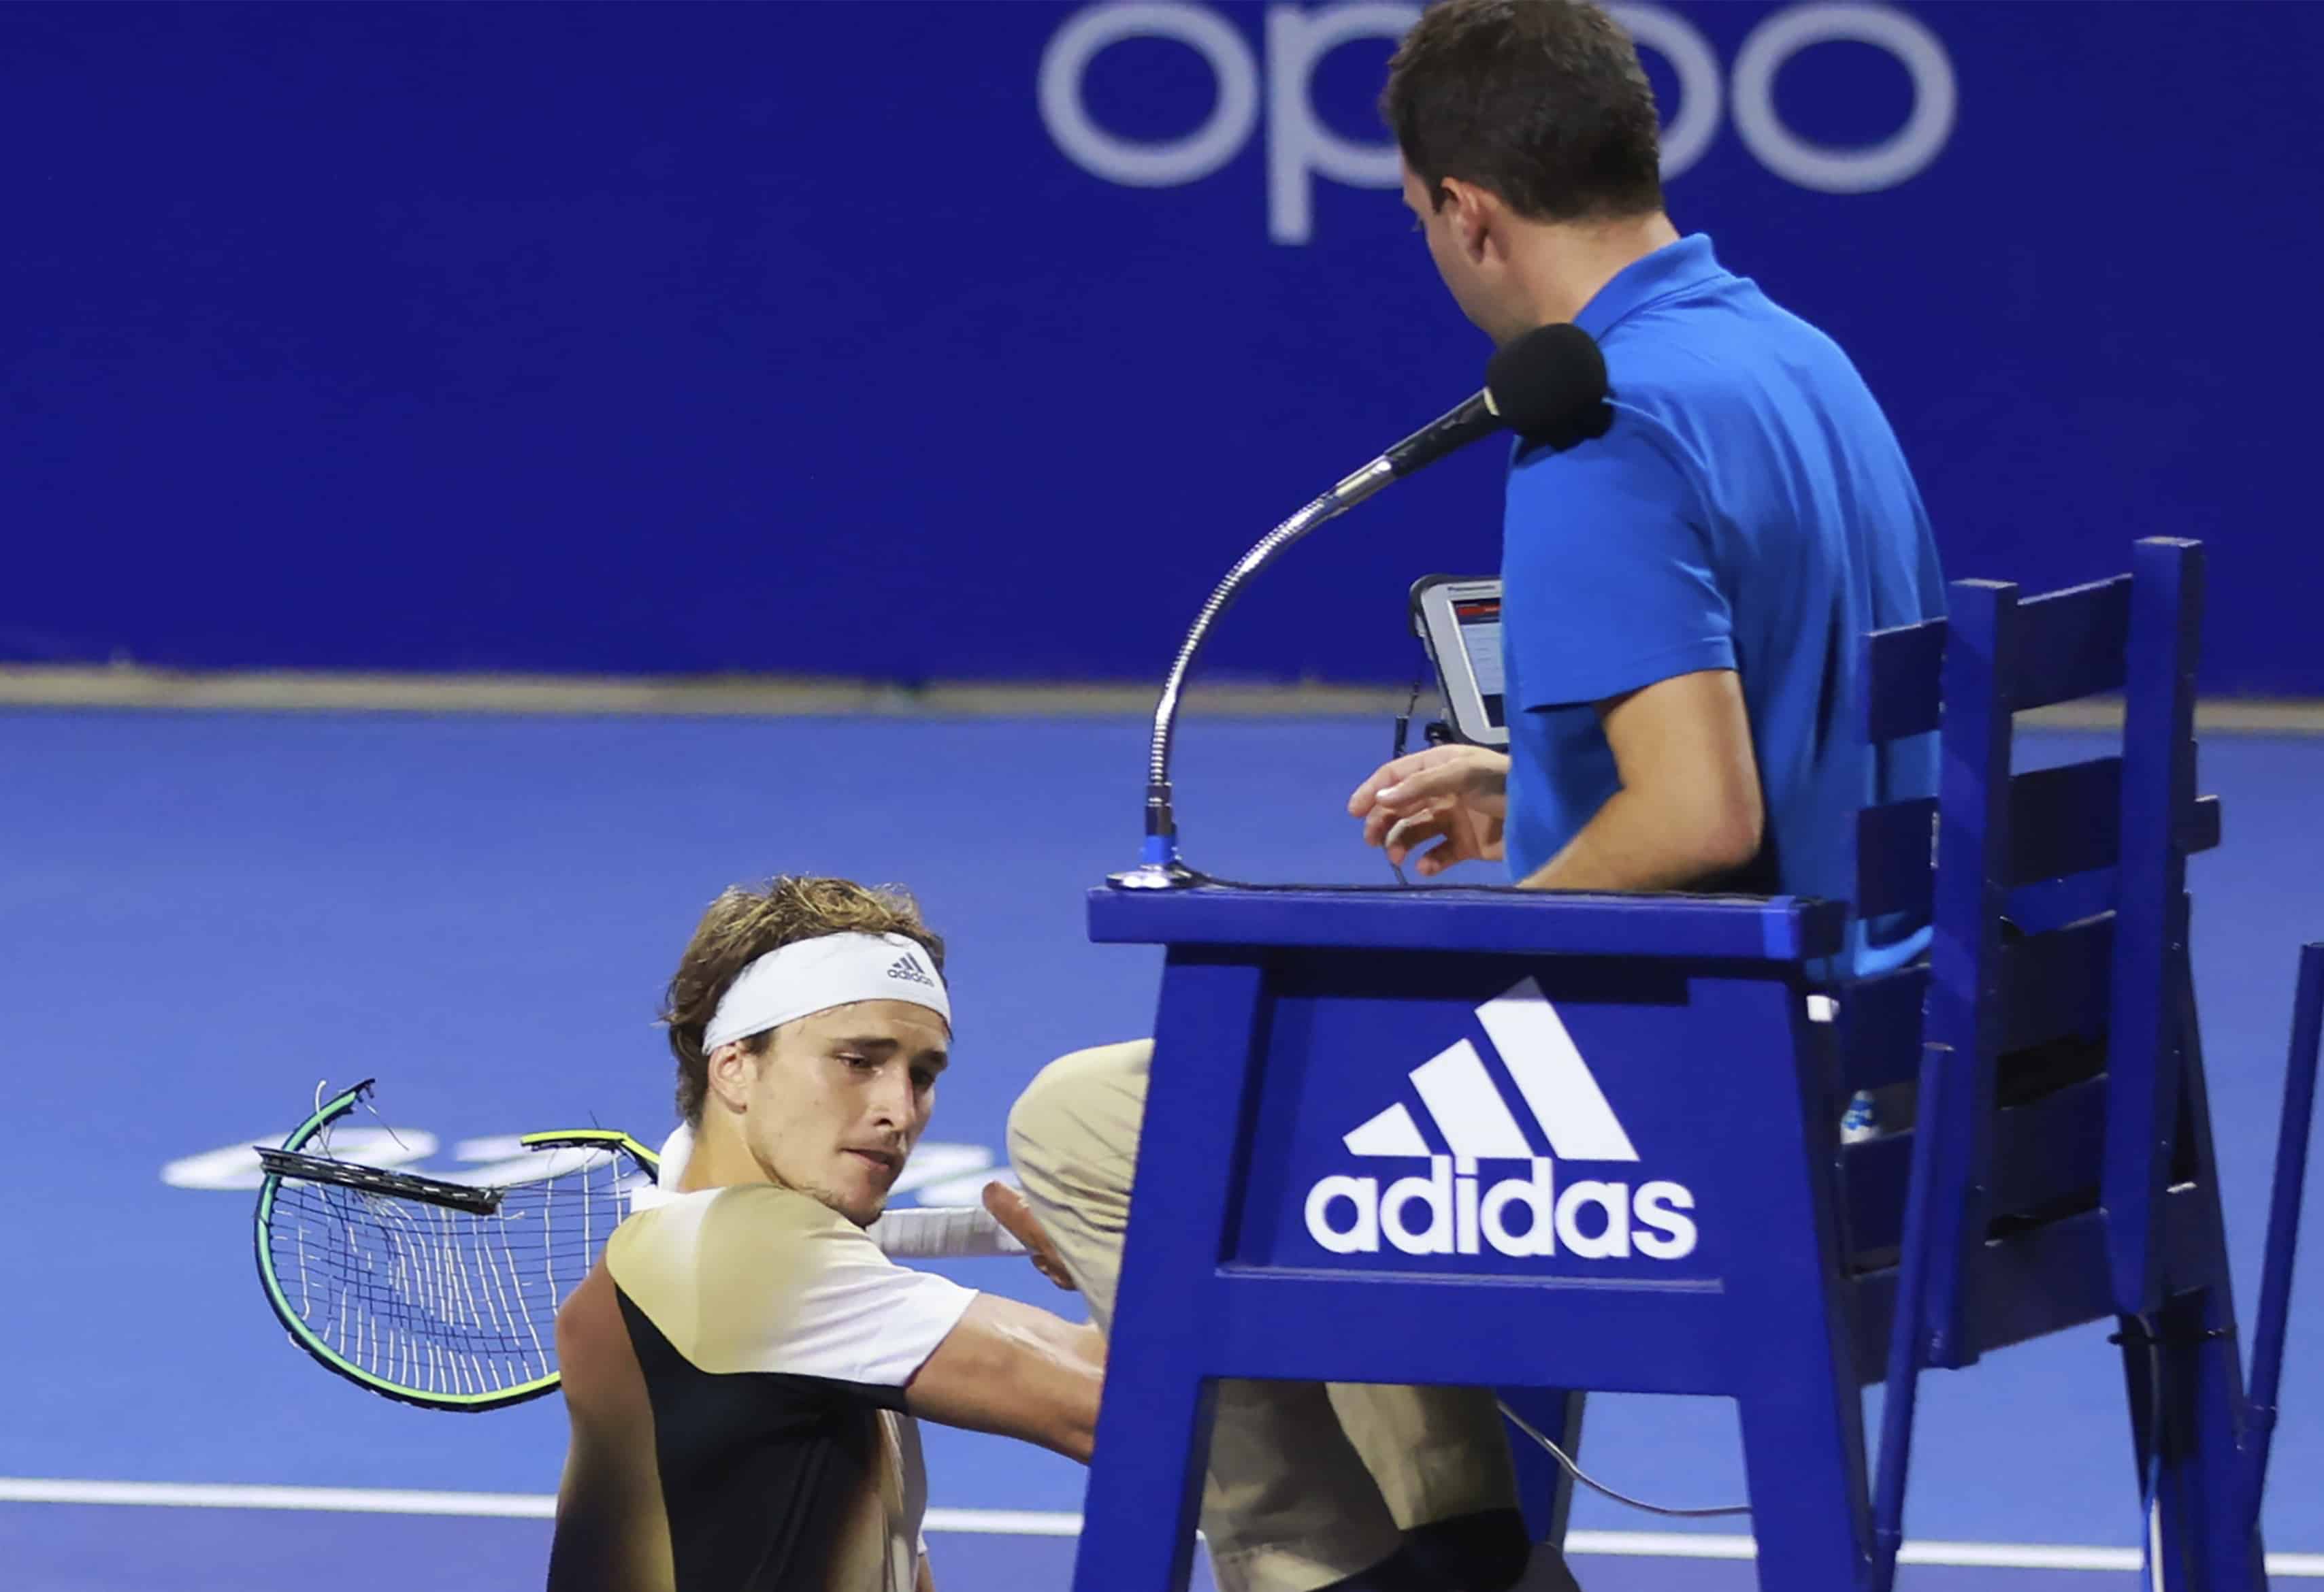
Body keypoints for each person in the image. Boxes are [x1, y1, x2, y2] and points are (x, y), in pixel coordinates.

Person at [1007, 3, 1946, 1591]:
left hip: (1738, 1110)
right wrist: (1541, 787)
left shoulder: (1596, 417)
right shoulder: (1795, 356)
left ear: (1466, 209)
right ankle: (1457, 1547)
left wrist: (1471, 941)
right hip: (1908, 1059)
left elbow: (1706, 820)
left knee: (1096, 1123)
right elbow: (1799, 737)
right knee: (1325, 1075)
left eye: (1414, 212)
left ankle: (1381, 1571)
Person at [546, 876, 1100, 1592]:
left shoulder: (722, 1243)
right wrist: (1119, 1256)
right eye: (858, 1061)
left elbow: (891, 1563)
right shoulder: (747, 1251)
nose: (899, 1110)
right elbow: (1123, 1411)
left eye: (923, 1074)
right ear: (735, 1069)